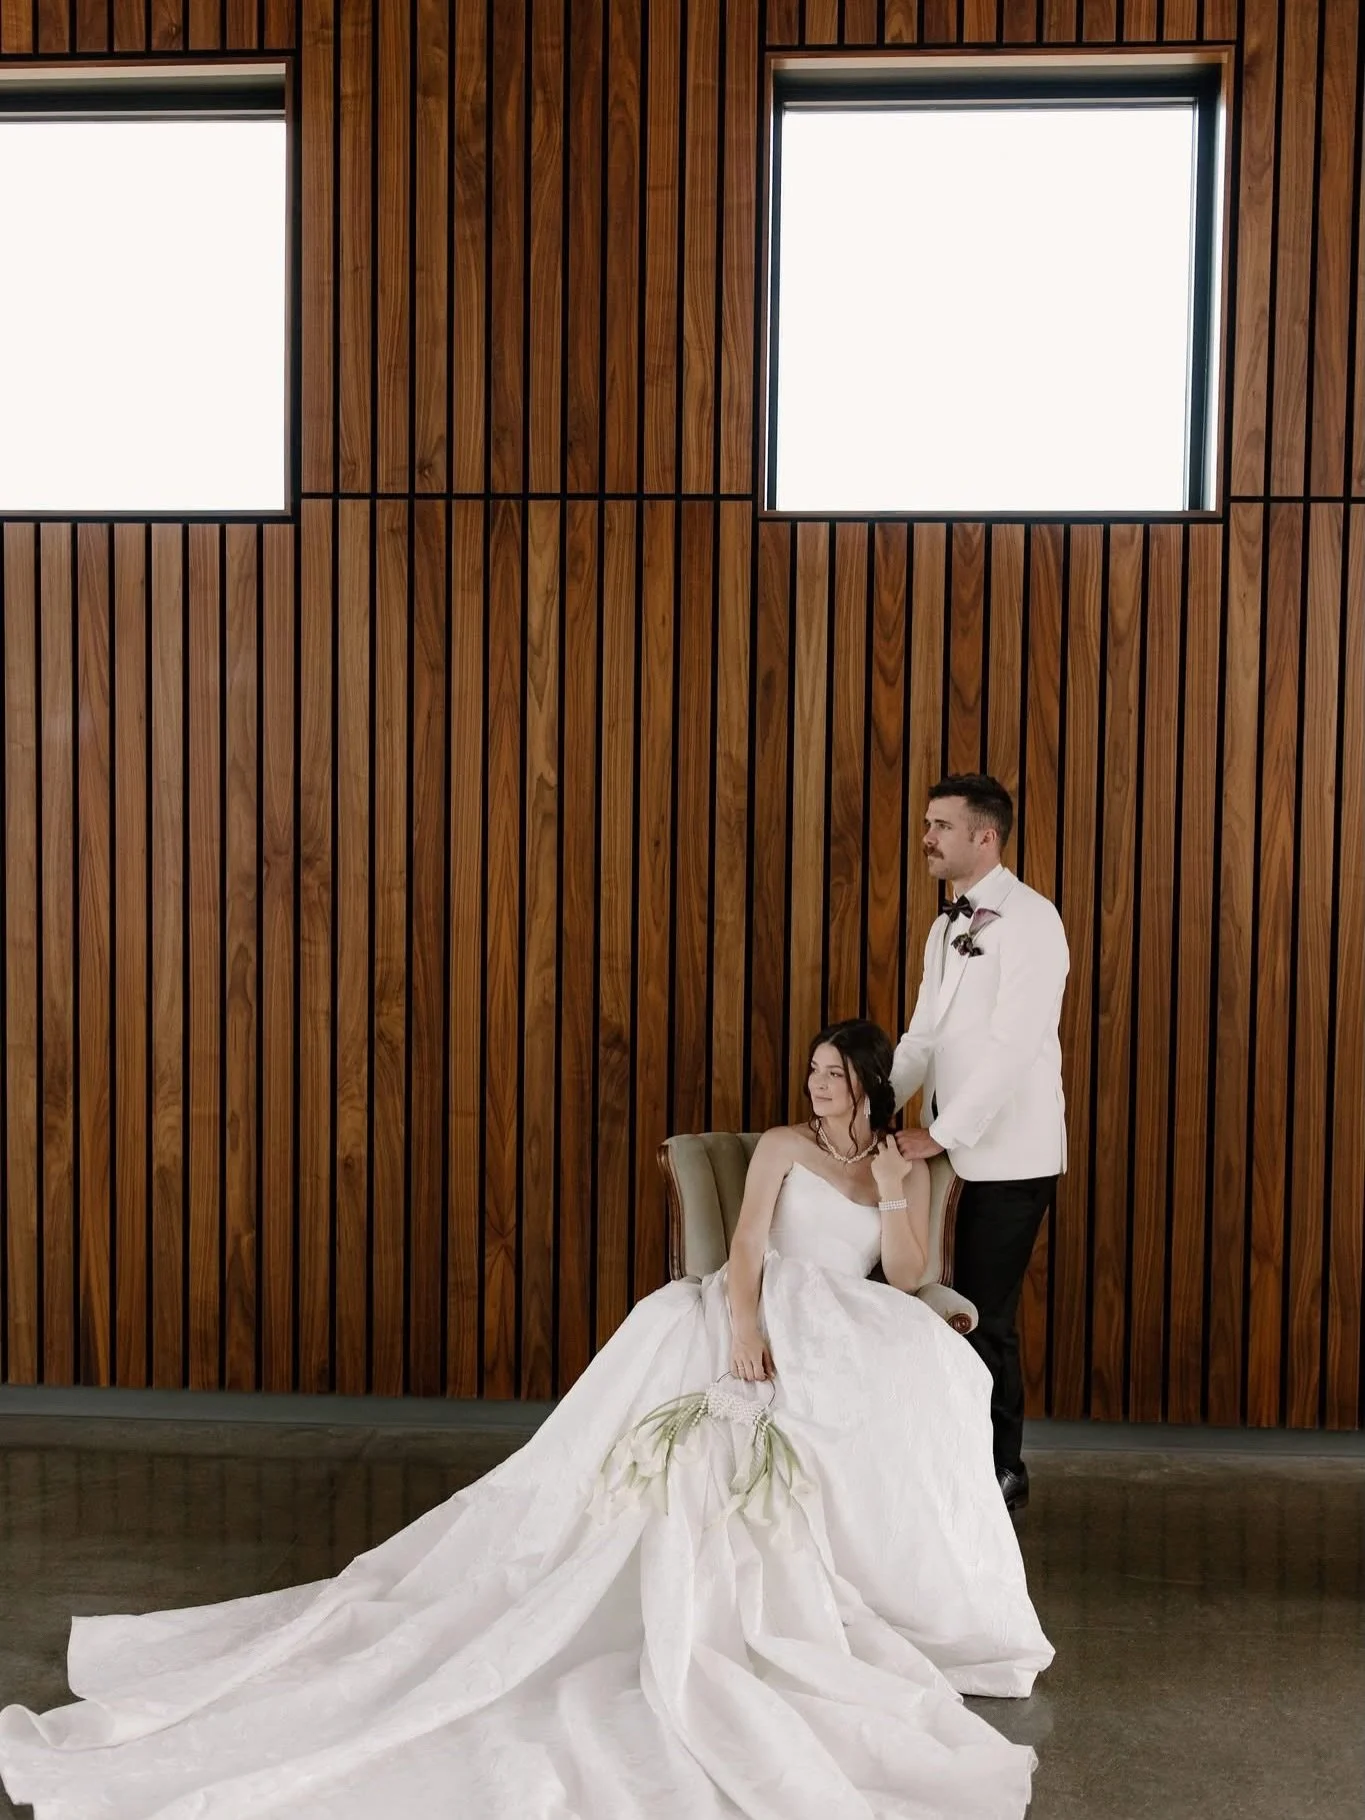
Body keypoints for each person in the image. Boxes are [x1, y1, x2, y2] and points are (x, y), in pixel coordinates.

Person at [0, 1020, 1052, 1820]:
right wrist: (744, 1323)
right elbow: (738, 1248)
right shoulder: (779, 1143)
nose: (820, 1085)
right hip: (760, 1302)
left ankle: (894, 1590)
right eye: (816, 1070)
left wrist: (895, 1189)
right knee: (689, 1431)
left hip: (850, 1318)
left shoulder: (894, 1162)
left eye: (836, 1074)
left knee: (933, 1386)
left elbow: (910, 1276)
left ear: (870, 1085)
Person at [891, 775, 1070, 1516]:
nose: (927, 837)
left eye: (940, 826)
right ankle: (940, 1462)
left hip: (1008, 1156)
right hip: (938, 1158)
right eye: (927, 824)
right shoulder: (944, 928)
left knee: (982, 1316)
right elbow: (922, 1038)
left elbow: (1011, 1047)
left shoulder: (1033, 921)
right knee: (926, 1309)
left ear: (984, 837)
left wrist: (939, 1133)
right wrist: (866, 1115)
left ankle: (1001, 1471)